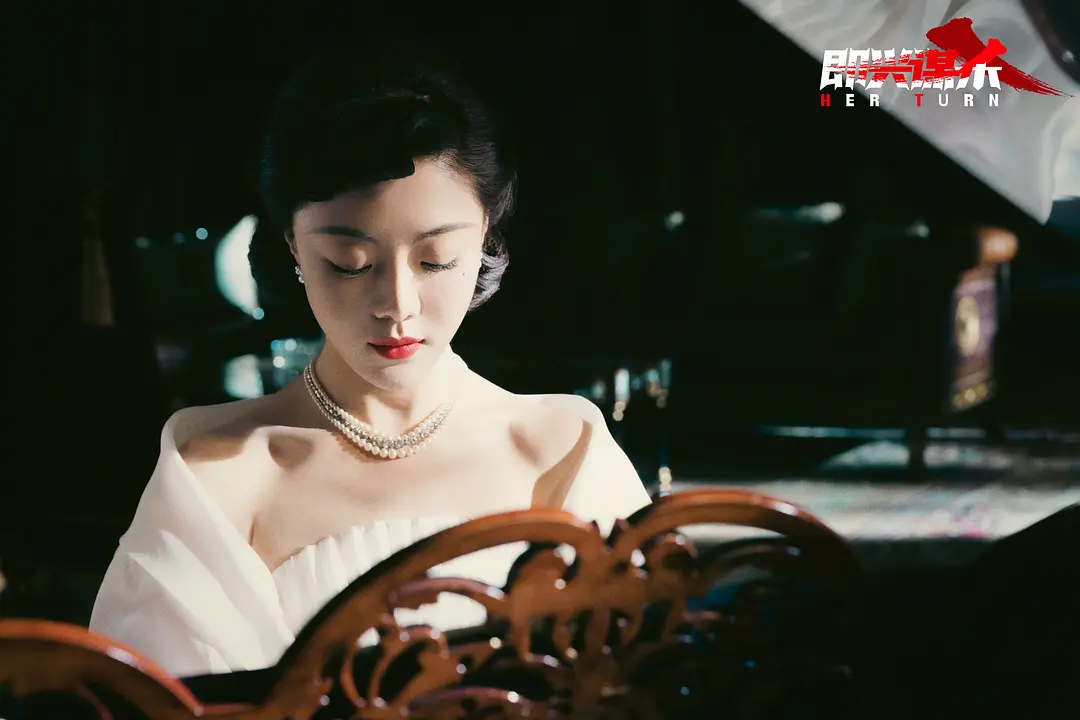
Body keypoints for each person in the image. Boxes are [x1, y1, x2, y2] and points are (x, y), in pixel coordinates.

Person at [88, 47, 651, 678]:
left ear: (485, 239)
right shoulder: (221, 475)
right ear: (293, 248)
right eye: (349, 265)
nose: (398, 306)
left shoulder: (561, 450)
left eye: (436, 261)